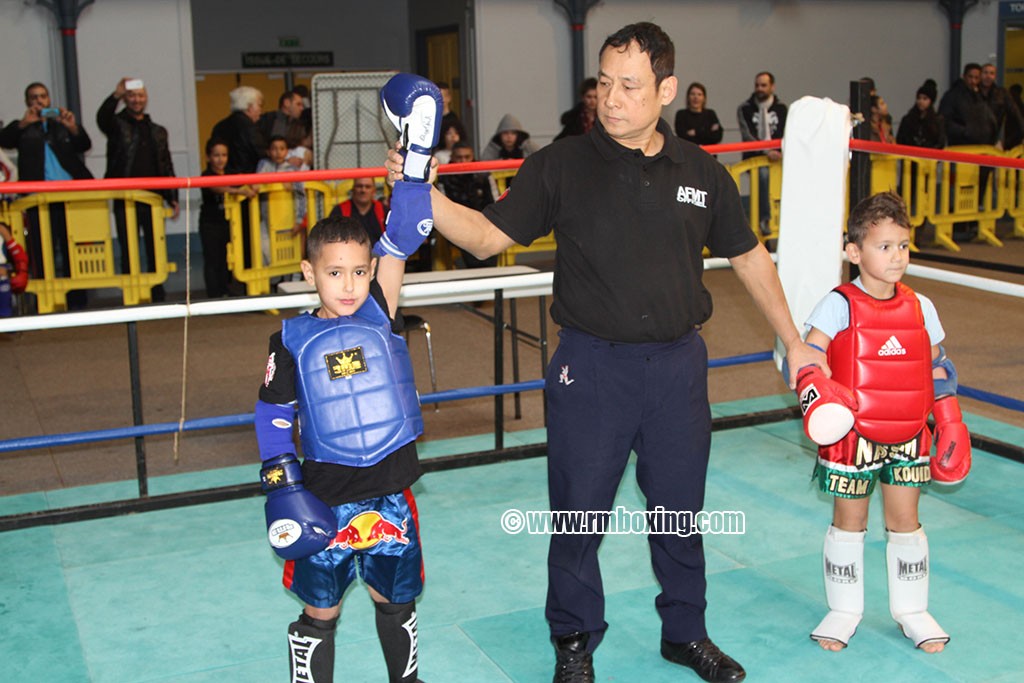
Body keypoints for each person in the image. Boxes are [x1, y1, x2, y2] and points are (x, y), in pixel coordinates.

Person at [386, 22, 824, 683]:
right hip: (590, 367)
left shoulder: (702, 171)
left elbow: (748, 256)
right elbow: (482, 237)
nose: (611, 98)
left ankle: (686, 632)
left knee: (680, 511)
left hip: (678, 367)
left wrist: (793, 339)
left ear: (667, 89)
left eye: (629, 85)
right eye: (603, 83)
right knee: (578, 514)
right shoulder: (561, 165)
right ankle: (573, 641)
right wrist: (422, 189)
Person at [254, 176, 434, 682]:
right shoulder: (289, 338)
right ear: (310, 271)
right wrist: (283, 485)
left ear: (372, 270)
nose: (350, 286)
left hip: (389, 492)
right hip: (324, 496)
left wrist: (413, 173)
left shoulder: (380, 310)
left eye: (359, 271)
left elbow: (400, 235)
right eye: (335, 273)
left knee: (394, 599)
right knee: (320, 609)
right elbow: (272, 416)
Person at [793, 192, 970, 655]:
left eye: (904, 246)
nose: (897, 257)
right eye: (884, 246)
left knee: (905, 521)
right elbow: (808, 361)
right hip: (852, 435)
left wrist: (949, 420)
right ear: (854, 252)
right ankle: (844, 609)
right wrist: (816, 393)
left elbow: (936, 368)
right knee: (849, 522)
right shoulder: (838, 304)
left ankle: (912, 610)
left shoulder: (920, 307)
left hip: (910, 432)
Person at [0, 82, 93, 309]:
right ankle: (45, 302)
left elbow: (84, 144)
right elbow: (4, 141)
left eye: (43, 96)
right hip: (36, 197)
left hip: (67, 196)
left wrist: (72, 128)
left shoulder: (61, 125)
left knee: (72, 247)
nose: (39, 101)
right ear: (27, 102)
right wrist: (24, 123)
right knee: (41, 249)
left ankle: (77, 303)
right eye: (34, 97)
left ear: (49, 100)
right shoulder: (21, 127)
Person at [96, 77, 180, 302]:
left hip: (153, 198)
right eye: (132, 96)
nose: (136, 100)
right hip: (125, 197)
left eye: (140, 95)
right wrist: (115, 94)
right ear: (125, 99)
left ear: (146, 98)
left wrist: (173, 197)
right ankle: (130, 291)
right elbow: (102, 119)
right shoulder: (116, 125)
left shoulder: (157, 130)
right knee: (127, 245)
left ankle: (157, 291)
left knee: (156, 245)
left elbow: (166, 163)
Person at [198, 138, 255, 298]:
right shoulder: (206, 174)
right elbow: (215, 187)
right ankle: (214, 294)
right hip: (211, 223)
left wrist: (254, 185)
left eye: (224, 155)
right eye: (216, 155)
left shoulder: (232, 172)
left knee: (229, 258)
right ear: (208, 157)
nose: (220, 159)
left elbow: (247, 182)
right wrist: (238, 192)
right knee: (213, 258)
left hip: (230, 224)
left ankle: (227, 289)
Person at [435, 141, 499, 268]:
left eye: (467, 157)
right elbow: (442, 205)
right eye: (459, 157)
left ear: (473, 156)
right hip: (457, 222)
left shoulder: (484, 174)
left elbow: (496, 201)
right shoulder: (444, 176)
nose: (463, 161)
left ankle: (490, 278)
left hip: (484, 220)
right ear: (452, 158)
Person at [737, 72, 787, 233]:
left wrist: (778, 151)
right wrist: (767, 151)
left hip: (779, 158)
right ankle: (764, 219)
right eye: (757, 85)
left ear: (772, 87)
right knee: (763, 174)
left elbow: (786, 133)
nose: (760, 89)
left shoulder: (782, 109)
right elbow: (748, 136)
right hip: (755, 159)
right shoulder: (745, 108)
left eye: (764, 85)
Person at [211, 85, 266, 174]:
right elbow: (260, 152)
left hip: (225, 176)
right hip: (247, 178)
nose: (260, 110)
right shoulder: (250, 127)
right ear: (249, 107)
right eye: (259, 105)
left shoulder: (219, 126)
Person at [938, 63, 996, 147]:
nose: (973, 81)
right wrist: (965, 131)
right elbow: (944, 120)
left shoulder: (980, 96)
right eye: (970, 77)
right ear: (964, 76)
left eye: (976, 78)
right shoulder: (952, 95)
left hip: (981, 145)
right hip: (960, 145)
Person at [327, 176, 386, 245]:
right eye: (359, 186)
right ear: (353, 189)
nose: (363, 190)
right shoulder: (339, 211)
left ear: (374, 191)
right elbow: (331, 239)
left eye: (368, 187)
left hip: (379, 254)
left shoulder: (384, 210)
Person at [979, 63, 1024, 150]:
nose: (988, 76)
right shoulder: (973, 93)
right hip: (975, 139)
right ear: (980, 75)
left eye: (991, 73)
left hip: (994, 139)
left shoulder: (1002, 94)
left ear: (995, 76)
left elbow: (1016, 115)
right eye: (985, 73)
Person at [896, 80, 946, 149]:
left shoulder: (938, 120)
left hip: (929, 157)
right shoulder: (908, 119)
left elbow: (941, 143)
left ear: (931, 101)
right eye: (919, 98)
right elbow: (900, 140)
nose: (921, 101)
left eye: (925, 99)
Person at [674, 82, 723, 146]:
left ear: (704, 98)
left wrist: (696, 132)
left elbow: (717, 137)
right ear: (688, 97)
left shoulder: (710, 114)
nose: (696, 97)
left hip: (708, 154)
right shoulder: (681, 115)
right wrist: (707, 132)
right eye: (692, 94)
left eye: (699, 94)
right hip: (689, 153)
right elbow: (683, 138)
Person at [0, 220, 29, 318]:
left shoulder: (2, 229)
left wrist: (21, 271)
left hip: (3, 270)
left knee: (7, 278)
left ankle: (6, 318)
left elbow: (18, 254)